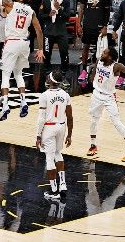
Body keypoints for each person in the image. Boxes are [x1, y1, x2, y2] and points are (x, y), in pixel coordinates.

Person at [88, 47, 125, 162]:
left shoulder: (116, 66)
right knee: (93, 120)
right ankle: (93, 145)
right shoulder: (99, 61)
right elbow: (95, 70)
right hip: (96, 94)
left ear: (110, 56)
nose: (102, 53)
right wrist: (93, 80)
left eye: (105, 53)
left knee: (116, 122)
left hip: (109, 97)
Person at [35, 70, 72, 201]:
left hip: (49, 128)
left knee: (49, 159)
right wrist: (69, 135)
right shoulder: (65, 95)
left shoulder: (44, 96)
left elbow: (41, 118)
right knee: (58, 153)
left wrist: (38, 135)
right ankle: (63, 184)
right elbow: (70, 116)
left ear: (50, 81)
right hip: (62, 126)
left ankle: (54, 190)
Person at [77, 0, 111, 86]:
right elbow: (81, 9)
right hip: (87, 24)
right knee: (85, 47)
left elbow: (107, 12)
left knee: (100, 50)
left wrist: (105, 26)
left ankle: (97, 70)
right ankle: (83, 70)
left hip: (100, 25)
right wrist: (79, 24)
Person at [39, 0, 71, 74]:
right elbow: (40, 16)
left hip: (61, 30)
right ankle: (46, 68)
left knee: (64, 51)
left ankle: (64, 69)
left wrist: (59, 9)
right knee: (47, 51)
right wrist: (48, 15)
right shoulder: (45, 1)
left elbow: (67, 17)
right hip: (49, 30)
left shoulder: (66, 1)